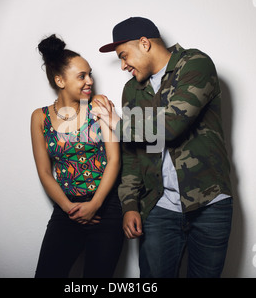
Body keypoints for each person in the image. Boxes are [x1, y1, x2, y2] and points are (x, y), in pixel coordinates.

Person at [95, 17, 233, 278]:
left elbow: (171, 126)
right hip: (159, 206)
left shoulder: (195, 64)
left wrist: (116, 123)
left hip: (210, 203)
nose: (123, 66)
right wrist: (130, 205)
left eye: (124, 56)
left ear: (145, 43)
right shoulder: (133, 90)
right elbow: (132, 153)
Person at [31, 34, 123, 278]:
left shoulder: (99, 107)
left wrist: (94, 205)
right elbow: (44, 172)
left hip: (106, 208)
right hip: (66, 209)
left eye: (90, 74)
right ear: (60, 80)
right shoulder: (39, 117)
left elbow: (114, 159)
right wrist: (69, 208)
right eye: (81, 76)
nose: (90, 81)